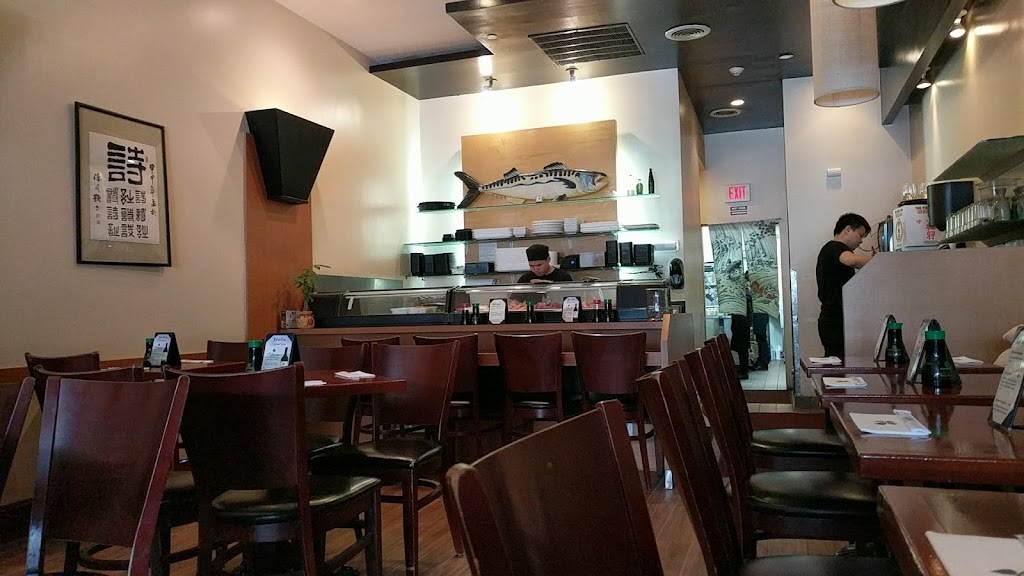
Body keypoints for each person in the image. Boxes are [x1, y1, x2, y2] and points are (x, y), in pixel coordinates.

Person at [816, 213, 875, 358]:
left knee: (837, 362)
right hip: (835, 321)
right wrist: (877, 259)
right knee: (839, 363)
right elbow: (851, 260)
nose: (861, 241)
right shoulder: (835, 247)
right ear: (848, 229)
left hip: (832, 319)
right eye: (860, 235)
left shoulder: (829, 250)